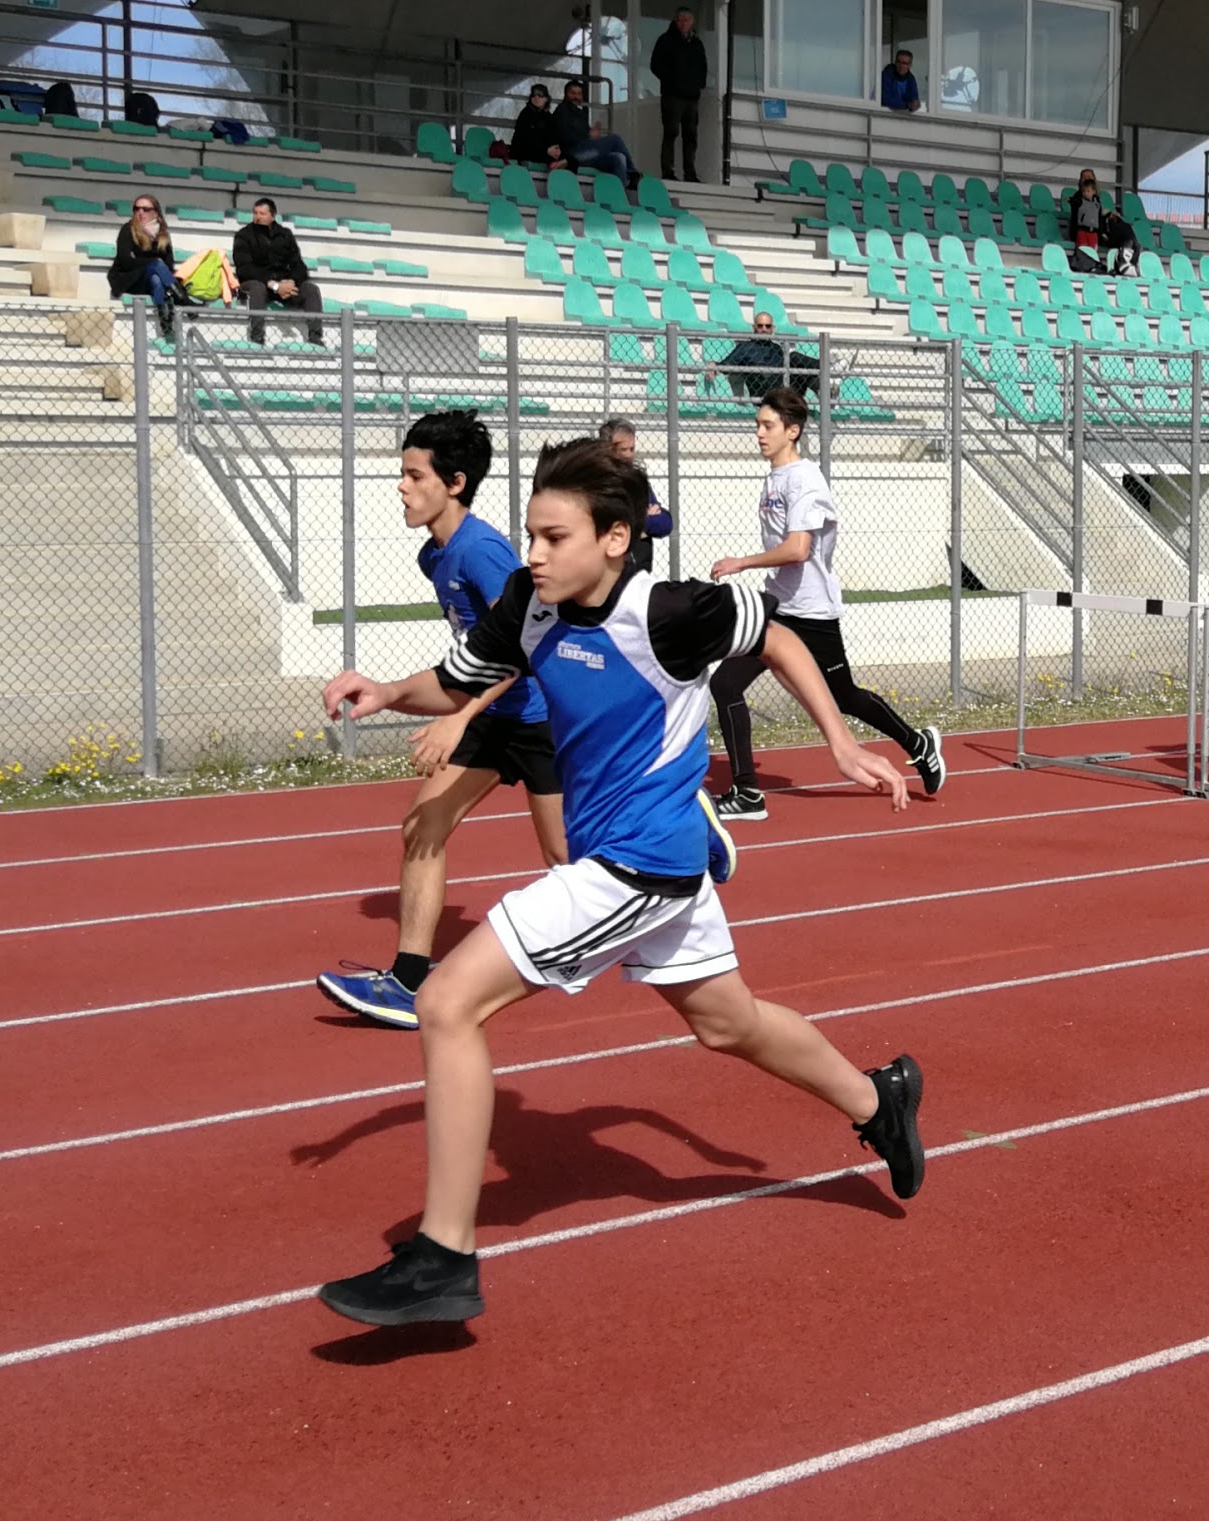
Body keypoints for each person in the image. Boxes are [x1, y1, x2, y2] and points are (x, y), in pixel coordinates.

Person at [315, 436, 925, 1325]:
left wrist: (839, 742)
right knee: (728, 1023)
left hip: (637, 863)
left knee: (446, 1003)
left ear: (613, 538)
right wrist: (383, 691)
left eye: (553, 537)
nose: (532, 553)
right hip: (634, 861)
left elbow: (778, 635)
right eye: (531, 533)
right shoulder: (530, 604)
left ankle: (443, 1258)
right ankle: (880, 1099)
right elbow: (456, 681)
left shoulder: (670, 612)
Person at [316, 411, 568, 1031]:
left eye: (414, 475)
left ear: (455, 483)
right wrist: (386, 692)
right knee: (422, 825)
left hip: (539, 717)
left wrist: (460, 717)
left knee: (567, 858)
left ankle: (675, 839)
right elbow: (467, 663)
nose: (401, 486)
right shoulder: (436, 556)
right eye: (402, 474)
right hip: (488, 715)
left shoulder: (481, 552)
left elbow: (525, 644)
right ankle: (408, 979)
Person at [708, 388, 946, 821]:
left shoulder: (805, 480)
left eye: (768, 426)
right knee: (725, 684)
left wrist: (742, 562)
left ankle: (918, 744)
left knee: (845, 697)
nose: (759, 433)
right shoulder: (774, 478)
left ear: (792, 431)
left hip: (812, 613)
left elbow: (798, 549)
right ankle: (747, 793)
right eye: (758, 424)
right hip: (778, 607)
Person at [232, 196, 325, 347]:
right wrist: (274, 285)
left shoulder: (285, 235)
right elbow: (245, 269)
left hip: (283, 285)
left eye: (262, 213)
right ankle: (257, 337)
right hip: (259, 282)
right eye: (255, 213)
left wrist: (291, 282)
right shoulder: (244, 235)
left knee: (311, 289)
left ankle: (315, 338)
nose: (257, 217)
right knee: (257, 288)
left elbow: (299, 266)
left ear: (273, 215)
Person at [599, 417, 672, 571]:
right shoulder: (599, 481)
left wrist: (636, 521)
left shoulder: (637, 481)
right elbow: (608, 521)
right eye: (623, 450)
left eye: (631, 449)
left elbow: (665, 524)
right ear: (607, 449)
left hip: (640, 567)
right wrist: (642, 518)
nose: (629, 455)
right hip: (611, 567)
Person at [107, 194, 178, 340]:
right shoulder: (128, 229)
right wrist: (153, 263)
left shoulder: (162, 234)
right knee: (156, 265)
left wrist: (147, 263)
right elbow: (126, 261)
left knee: (156, 280)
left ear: (156, 213)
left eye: (146, 209)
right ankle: (180, 297)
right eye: (137, 208)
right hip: (129, 279)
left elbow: (169, 264)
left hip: (150, 281)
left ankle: (166, 323)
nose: (140, 212)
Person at [650, 9, 708, 184]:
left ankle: (690, 173)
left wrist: (699, 84)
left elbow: (703, 67)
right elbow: (655, 65)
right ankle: (668, 171)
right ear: (676, 22)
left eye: (687, 20)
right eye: (680, 20)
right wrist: (672, 80)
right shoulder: (666, 40)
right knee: (671, 132)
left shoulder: (697, 44)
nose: (683, 23)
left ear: (692, 22)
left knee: (691, 136)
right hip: (672, 96)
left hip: (691, 97)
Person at [708, 312, 821, 399]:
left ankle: (823, 390)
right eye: (760, 326)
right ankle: (824, 367)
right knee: (793, 357)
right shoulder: (745, 347)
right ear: (754, 328)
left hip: (783, 387)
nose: (764, 329)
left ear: (773, 329)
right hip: (762, 391)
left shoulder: (776, 348)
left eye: (767, 326)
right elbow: (726, 365)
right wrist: (713, 365)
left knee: (801, 366)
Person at [550, 78, 639, 189]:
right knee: (615, 139)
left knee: (619, 158)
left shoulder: (582, 114)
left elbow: (587, 138)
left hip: (587, 154)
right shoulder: (561, 110)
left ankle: (619, 193)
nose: (576, 97)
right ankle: (632, 173)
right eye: (572, 93)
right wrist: (588, 136)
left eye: (579, 94)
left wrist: (593, 136)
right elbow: (564, 137)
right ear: (566, 94)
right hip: (572, 155)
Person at [510, 84, 558, 167]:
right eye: (533, 95)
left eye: (540, 95)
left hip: (542, 152)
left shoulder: (548, 117)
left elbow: (553, 136)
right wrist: (546, 150)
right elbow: (525, 140)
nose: (536, 98)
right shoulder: (525, 114)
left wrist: (556, 149)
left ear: (546, 99)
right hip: (524, 152)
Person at [174, 246, 239, 306]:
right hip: (212, 293)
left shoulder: (201, 257)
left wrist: (179, 277)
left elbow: (189, 266)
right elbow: (228, 276)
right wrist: (230, 293)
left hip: (192, 289)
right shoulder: (220, 258)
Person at [1067, 177, 1107, 272]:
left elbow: (1100, 219)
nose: (1086, 193)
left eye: (1088, 191)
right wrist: (1070, 200)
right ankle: (1081, 267)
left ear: (1094, 191)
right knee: (1082, 250)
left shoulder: (1097, 204)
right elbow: (1075, 202)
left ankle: (1092, 267)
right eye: (1084, 191)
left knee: (1092, 251)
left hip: (1093, 232)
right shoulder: (1080, 201)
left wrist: (1102, 232)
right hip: (1083, 231)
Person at [1100, 208, 1140, 277]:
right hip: (1131, 247)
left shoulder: (1115, 225)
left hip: (1125, 246)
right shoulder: (1125, 225)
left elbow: (1113, 240)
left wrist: (1106, 241)